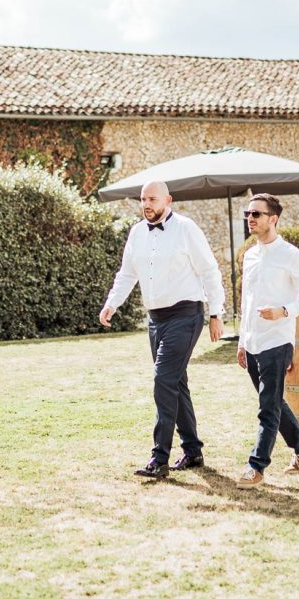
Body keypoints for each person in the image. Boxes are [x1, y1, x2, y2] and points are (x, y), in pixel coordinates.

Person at [100, 180, 225, 478]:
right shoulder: (137, 232)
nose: (147, 204)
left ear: (168, 200)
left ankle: (160, 459)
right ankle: (193, 451)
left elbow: (210, 271)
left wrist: (216, 312)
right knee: (175, 383)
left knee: (163, 381)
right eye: (143, 199)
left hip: (186, 314)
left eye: (153, 199)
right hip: (155, 318)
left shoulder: (186, 228)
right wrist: (112, 303)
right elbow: (127, 273)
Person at [235, 193, 299, 488]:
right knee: (271, 401)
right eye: (248, 213)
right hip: (253, 342)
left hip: (277, 340)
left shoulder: (291, 255)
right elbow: (247, 301)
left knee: (267, 408)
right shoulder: (249, 255)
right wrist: (242, 341)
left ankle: (256, 466)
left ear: (273, 219)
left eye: (256, 214)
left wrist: (284, 311)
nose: (250, 218)